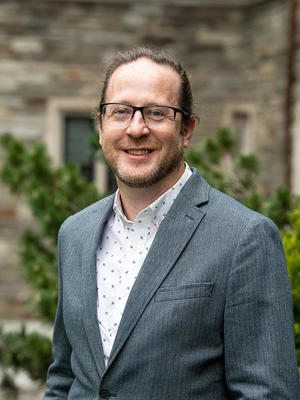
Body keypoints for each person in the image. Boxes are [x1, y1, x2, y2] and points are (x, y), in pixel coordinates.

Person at [44, 46, 299, 400]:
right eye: (121, 112)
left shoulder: (245, 238)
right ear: (100, 127)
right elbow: (64, 377)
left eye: (156, 113)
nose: (136, 128)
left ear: (186, 130)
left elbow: (266, 394)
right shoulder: (75, 233)